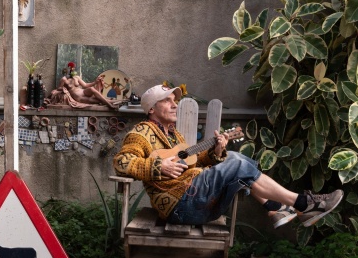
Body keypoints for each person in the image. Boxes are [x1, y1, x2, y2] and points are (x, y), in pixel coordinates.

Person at [113, 85, 343, 228]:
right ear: (151, 109)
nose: (175, 105)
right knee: (235, 160)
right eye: (167, 101)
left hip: (200, 201)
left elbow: (197, 161)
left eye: (175, 101)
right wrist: (157, 166)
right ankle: (300, 203)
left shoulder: (176, 137)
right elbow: (121, 163)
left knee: (234, 163)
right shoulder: (140, 134)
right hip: (180, 205)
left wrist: (216, 151)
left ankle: (280, 208)